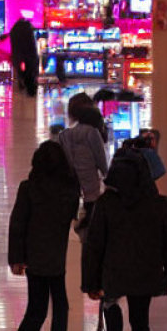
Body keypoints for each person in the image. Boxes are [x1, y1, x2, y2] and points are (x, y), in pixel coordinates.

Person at [82, 148, 167, 331]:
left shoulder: (106, 205)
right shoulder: (159, 206)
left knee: (113, 328)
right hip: (144, 276)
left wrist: (90, 282)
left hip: (112, 277)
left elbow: (94, 246)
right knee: (140, 326)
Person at [7, 141, 81, 331]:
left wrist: (16, 258)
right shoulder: (69, 189)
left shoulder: (29, 188)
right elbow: (72, 216)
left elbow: (17, 223)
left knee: (36, 310)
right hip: (55, 256)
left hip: (35, 257)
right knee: (60, 306)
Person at [58, 93, 109, 234]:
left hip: (74, 173)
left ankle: (78, 217)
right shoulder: (92, 133)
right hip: (89, 172)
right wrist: (106, 173)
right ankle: (89, 219)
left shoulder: (66, 134)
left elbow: (65, 154)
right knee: (91, 196)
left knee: (79, 194)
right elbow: (100, 156)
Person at [9, 17, 39, 97]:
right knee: (29, 74)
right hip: (29, 57)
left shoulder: (14, 30)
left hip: (19, 56)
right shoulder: (27, 29)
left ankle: (23, 84)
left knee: (23, 73)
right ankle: (30, 89)